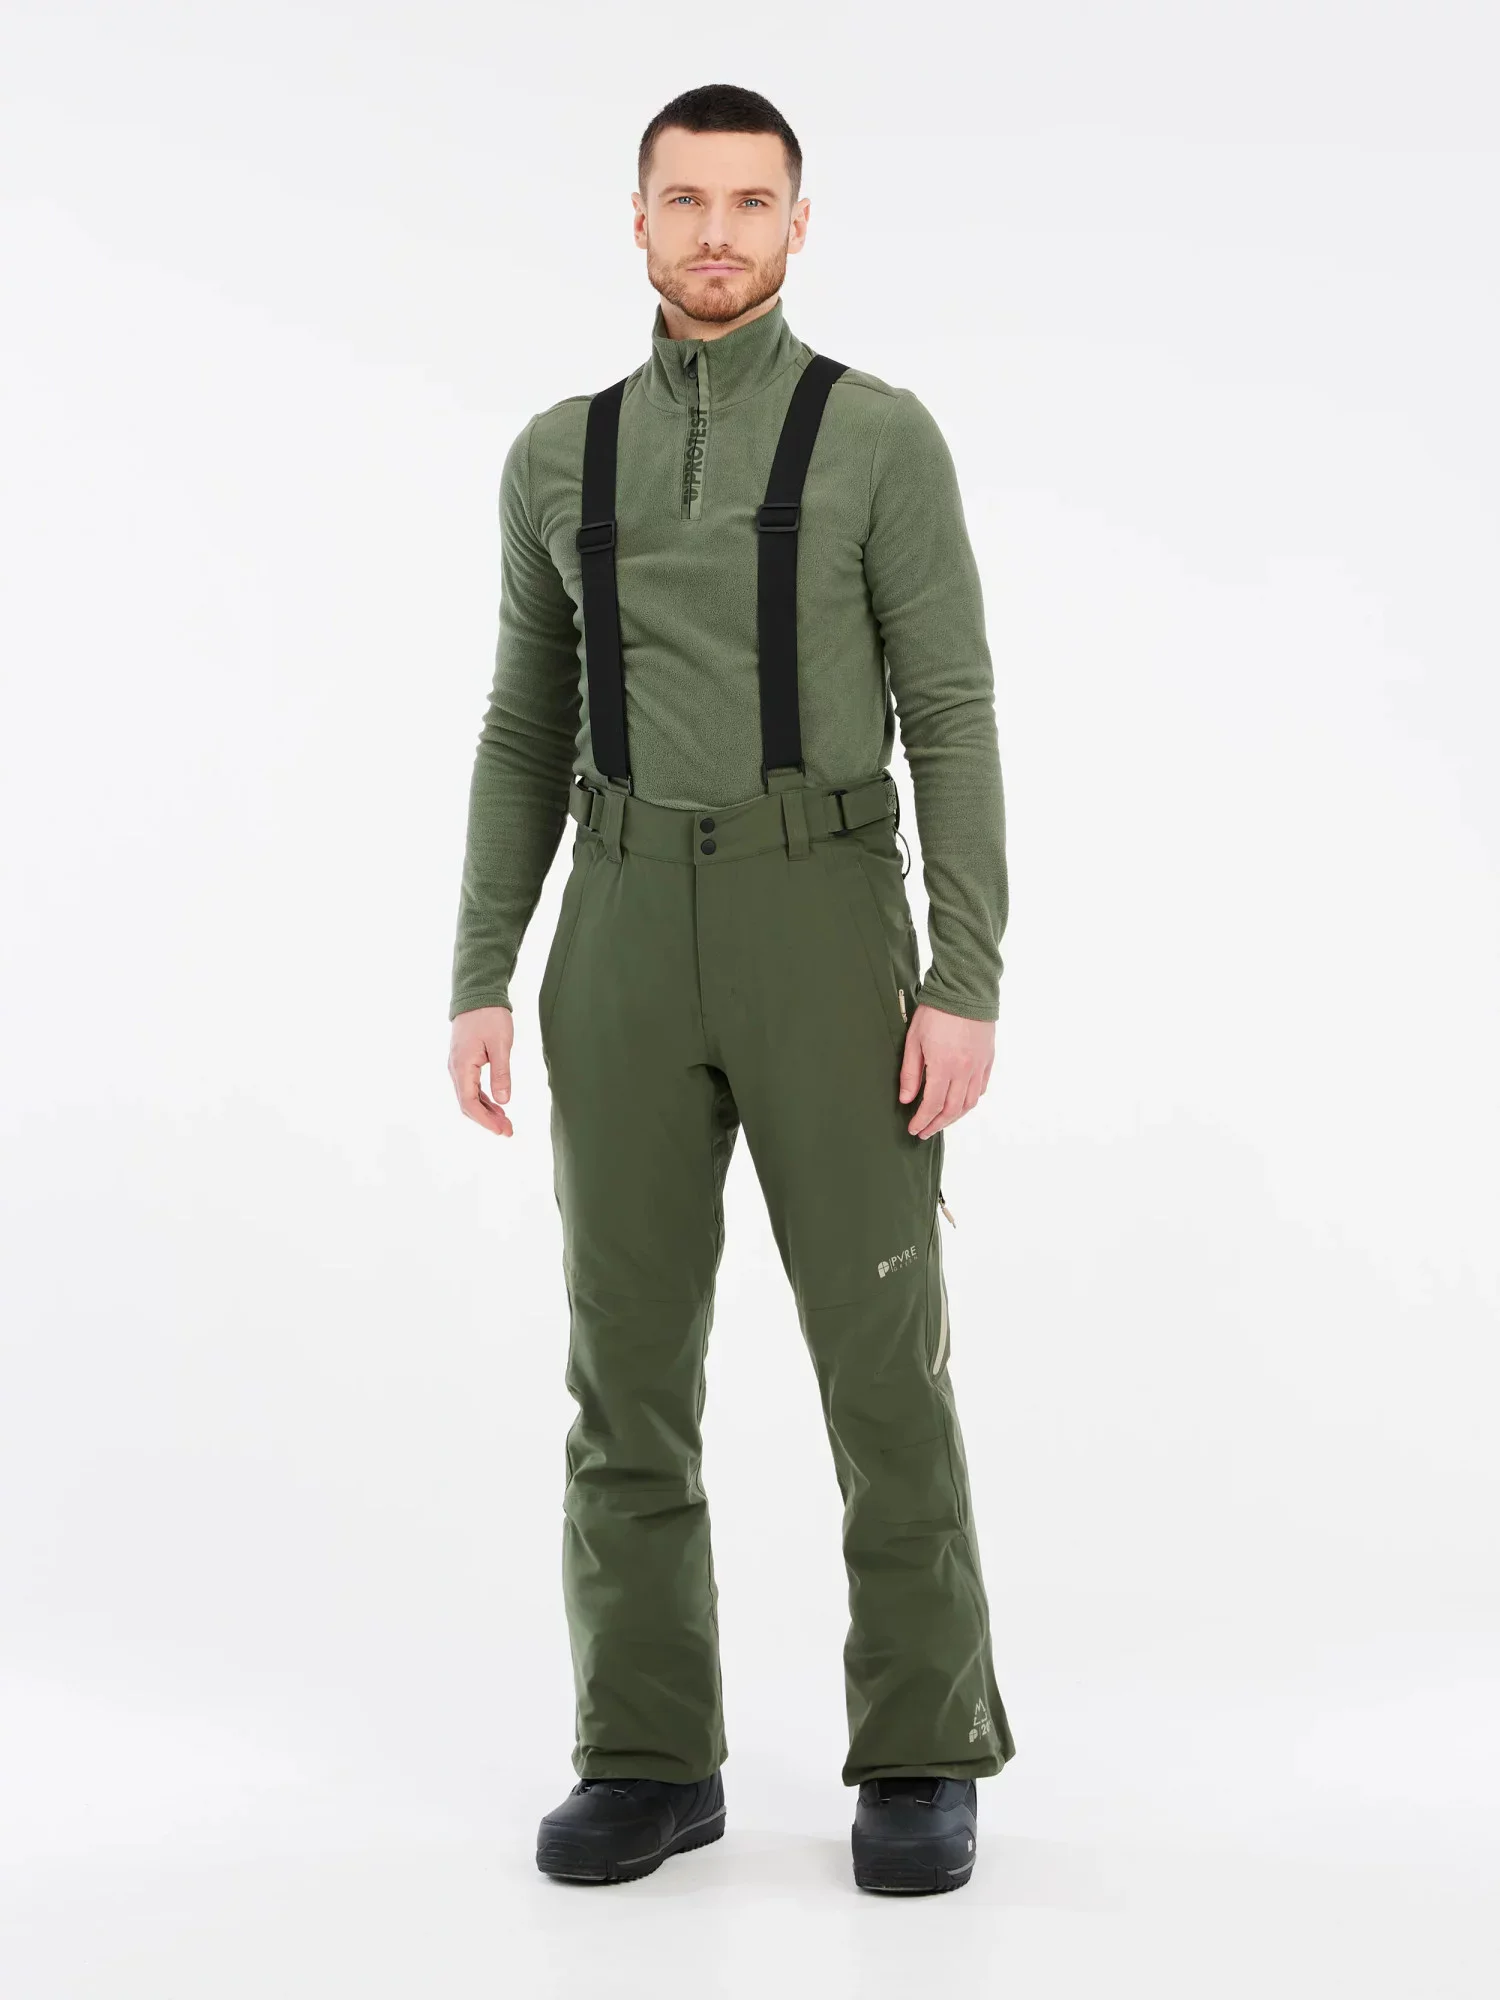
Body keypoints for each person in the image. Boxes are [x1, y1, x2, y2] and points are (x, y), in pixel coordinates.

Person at [447, 82, 1017, 1896]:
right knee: (622, 1367)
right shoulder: (557, 455)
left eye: (749, 202)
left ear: (796, 224)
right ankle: (644, 1752)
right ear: (636, 220)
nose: (716, 233)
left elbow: (954, 712)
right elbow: (525, 725)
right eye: (684, 201)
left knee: (880, 1360)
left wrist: (965, 972)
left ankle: (921, 1747)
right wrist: (480, 969)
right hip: (616, 924)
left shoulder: (880, 439)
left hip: (823, 915)